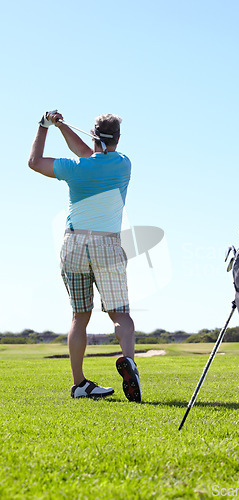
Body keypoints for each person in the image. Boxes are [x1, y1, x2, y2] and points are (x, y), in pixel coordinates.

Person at [28, 110, 141, 402]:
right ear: (117, 138)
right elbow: (91, 151)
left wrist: (46, 127)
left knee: (79, 317)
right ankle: (128, 360)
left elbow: (35, 162)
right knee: (120, 315)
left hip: (74, 244)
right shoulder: (123, 163)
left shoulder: (75, 167)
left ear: (94, 136)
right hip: (107, 245)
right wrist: (63, 126)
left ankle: (79, 384)